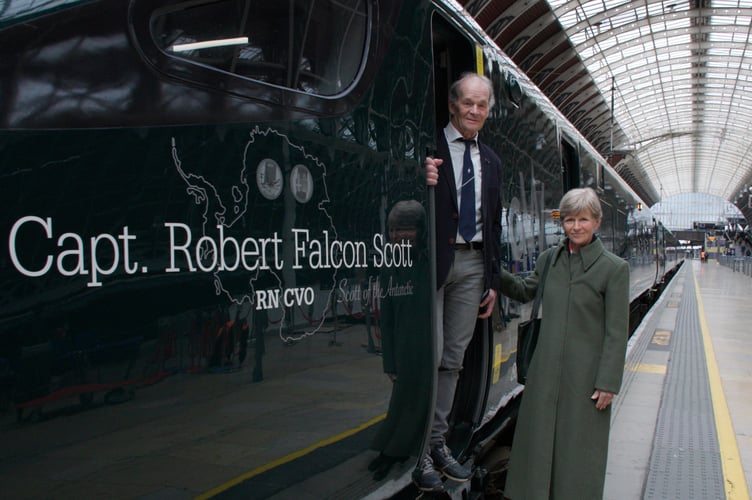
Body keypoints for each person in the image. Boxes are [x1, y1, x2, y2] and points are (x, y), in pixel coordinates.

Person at [499, 187, 629, 499]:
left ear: (596, 221)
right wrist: (491, 269)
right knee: (539, 445)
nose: (575, 227)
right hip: (545, 373)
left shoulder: (614, 269)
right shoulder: (548, 261)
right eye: (569, 220)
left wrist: (608, 382)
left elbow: (616, 331)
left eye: (583, 219)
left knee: (578, 450)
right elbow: (523, 290)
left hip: (586, 379)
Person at [418, 72, 503, 492]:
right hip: (434, 261)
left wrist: (492, 280)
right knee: (427, 354)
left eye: (482, 105)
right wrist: (420, 181)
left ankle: (436, 442)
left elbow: (495, 223)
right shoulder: (426, 149)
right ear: (453, 105)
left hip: (472, 265)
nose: (474, 111)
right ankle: (418, 450)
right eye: (467, 103)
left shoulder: (492, 160)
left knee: (453, 357)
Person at [369, 200, 432, 481]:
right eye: (393, 229)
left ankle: (394, 451)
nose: (398, 235)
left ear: (420, 230)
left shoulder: (431, 263)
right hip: (406, 348)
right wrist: (389, 362)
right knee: (403, 401)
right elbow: (388, 318)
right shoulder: (389, 265)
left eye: (406, 228)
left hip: (430, 347)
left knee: (416, 402)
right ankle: (391, 450)